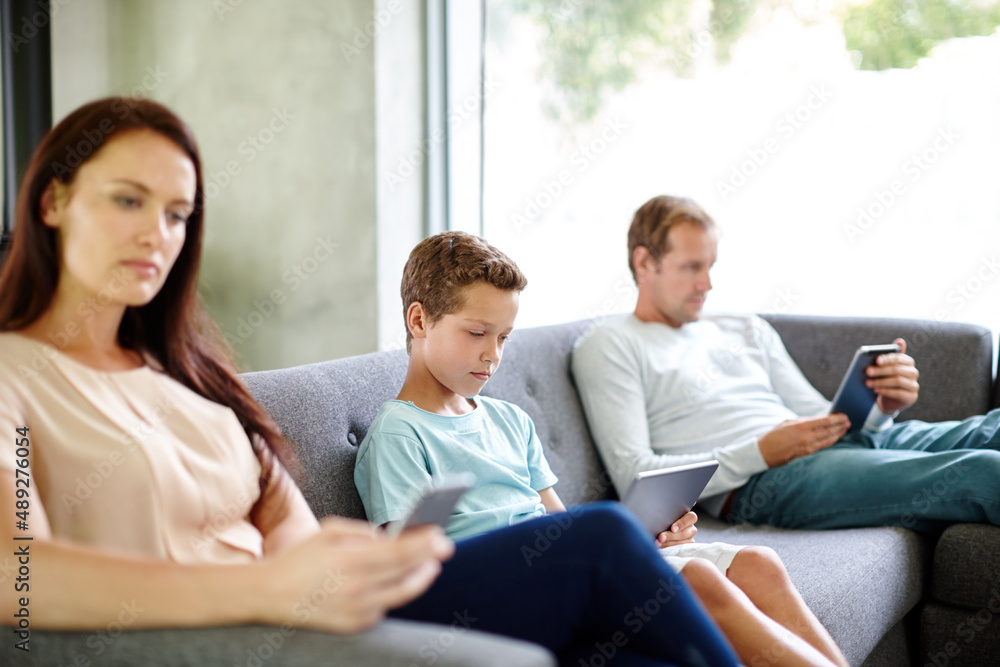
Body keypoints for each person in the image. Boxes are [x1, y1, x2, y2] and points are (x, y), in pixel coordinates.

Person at [0, 98, 741, 667]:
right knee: (605, 534)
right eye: (128, 199)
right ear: (54, 200)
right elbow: (18, 576)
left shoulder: (192, 383)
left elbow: (293, 535)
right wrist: (261, 589)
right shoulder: (17, 379)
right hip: (226, 635)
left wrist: (364, 554)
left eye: (178, 214)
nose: (157, 233)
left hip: (307, 611)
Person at [354, 231, 848, 667]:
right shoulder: (400, 432)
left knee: (759, 564)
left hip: (562, 571)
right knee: (700, 580)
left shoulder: (510, 420)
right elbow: (406, 560)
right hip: (500, 586)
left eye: (504, 337)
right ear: (419, 320)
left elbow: (557, 523)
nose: (493, 354)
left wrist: (645, 540)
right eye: (477, 333)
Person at [570, 194, 1000, 535]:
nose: (707, 284)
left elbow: (819, 416)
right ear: (645, 262)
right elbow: (635, 477)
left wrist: (881, 410)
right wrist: (760, 451)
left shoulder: (744, 327)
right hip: (761, 482)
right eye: (691, 267)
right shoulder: (610, 343)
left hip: (825, 450)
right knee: (982, 472)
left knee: (993, 428)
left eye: (711, 266)